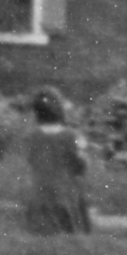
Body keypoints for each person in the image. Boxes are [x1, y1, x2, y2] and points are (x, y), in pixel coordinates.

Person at [23, 88, 92, 235]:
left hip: (39, 194)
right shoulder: (73, 136)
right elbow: (82, 165)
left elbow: (30, 161)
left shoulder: (30, 136)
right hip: (66, 194)